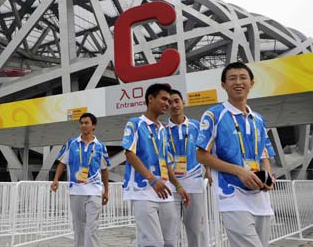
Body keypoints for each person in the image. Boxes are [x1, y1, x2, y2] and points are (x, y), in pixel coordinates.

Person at [196, 62, 276, 247]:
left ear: (252, 83)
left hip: (260, 195)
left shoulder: (258, 119)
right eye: (232, 78)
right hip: (231, 195)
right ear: (224, 85)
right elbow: (201, 155)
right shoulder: (214, 115)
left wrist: (267, 175)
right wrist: (240, 171)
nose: (238, 82)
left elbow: (264, 154)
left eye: (243, 78)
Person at [122, 83, 190, 247]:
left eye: (169, 100)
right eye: (164, 99)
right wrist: (152, 180)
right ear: (150, 99)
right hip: (143, 192)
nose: (167, 103)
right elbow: (129, 153)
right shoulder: (135, 124)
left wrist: (178, 186)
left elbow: (166, 162)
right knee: (153, 242)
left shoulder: (163, 130)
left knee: (171, 241)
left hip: (165, 191)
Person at [51, 112, 111, 247]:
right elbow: (61, 162)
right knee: (78, 228)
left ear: (93, 126)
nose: (83, 125)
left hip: (94, 191)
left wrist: (106, 191)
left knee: (92, 227)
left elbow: (105, 170)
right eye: (81, 123)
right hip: (76, 192)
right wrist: (56, 179)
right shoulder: (71, 143)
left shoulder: (100, 146)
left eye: (86, 123)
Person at [167, 89, 210, 247]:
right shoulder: (162, 131)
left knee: (196, 229)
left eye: (176, 101)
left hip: (194, 184)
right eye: (170, 102)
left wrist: (208, 171)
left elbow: (204, 150)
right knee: (171, 230)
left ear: (183, 103)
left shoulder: (196, 126)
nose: (174, 105)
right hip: (171, 187)